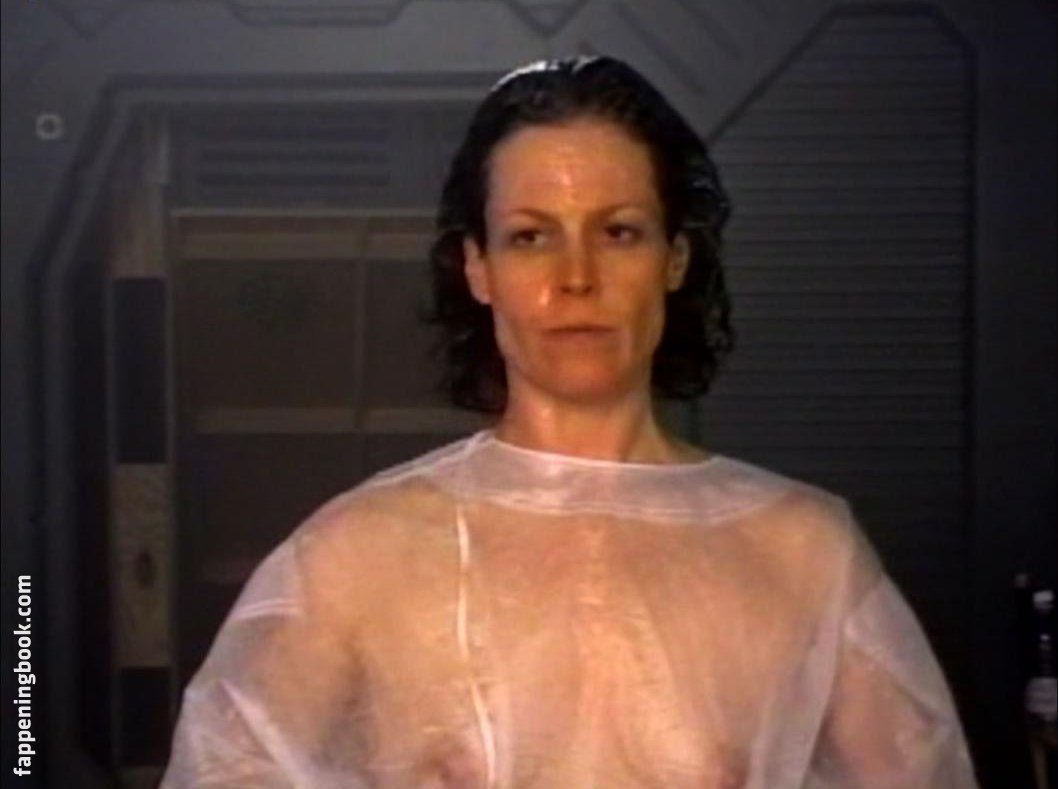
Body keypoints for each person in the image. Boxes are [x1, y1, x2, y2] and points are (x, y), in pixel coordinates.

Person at [161, 56, 977, 787]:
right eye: (530, 237)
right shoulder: (356, 559)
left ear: (674, 258)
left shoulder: (804, 555)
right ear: (478, 267)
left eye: (618, 232)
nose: (576, 276)